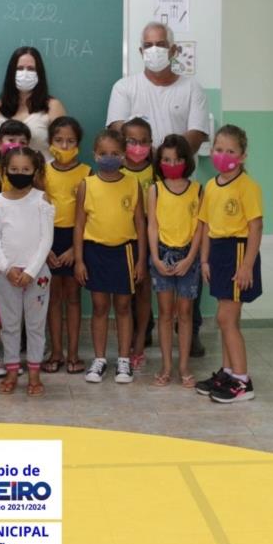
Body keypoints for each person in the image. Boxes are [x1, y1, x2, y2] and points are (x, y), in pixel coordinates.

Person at [106, 21, 210, 357]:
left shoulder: (192, 89)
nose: (154, 50)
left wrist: (168, 158)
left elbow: (196, 134)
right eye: (148, 45)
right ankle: (144, 328)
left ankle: (190, 329)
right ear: (140, 51)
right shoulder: (125, 87)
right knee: (142, 257)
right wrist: (153, 156)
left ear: (174, 49)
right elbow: (118, 128)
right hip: (135, 185)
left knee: (186, 252)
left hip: (178, 186)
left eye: (161, 44)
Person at [74, 129, 147, 385]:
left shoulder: (132, 184)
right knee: (100, 306)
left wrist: (141, 260)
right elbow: (79, 225)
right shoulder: (87, 184)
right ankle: (100, 359)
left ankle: (124, 359)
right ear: (95, 155)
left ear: (124, 155)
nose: (109, 157)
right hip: (95, 252)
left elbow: (140, 224)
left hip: (125, 252)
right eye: (103, 153)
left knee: (124, 307)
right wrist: (79, 260)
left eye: (115, 153)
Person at [196, 125, 263, 403]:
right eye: (219, 149)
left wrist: (246, 265)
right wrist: (204, 259)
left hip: (238, 251)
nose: (224, 155)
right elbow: (206, 225)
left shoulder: (247, 186)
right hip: (219, 253)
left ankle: (242, 381)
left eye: (231, 151)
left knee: (226, 319)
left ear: (243, 156)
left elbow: (256, 226)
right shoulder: (211, 186)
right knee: (226, 320)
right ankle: (227, 372)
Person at [0, 146, 55, 397]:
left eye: (26, 169)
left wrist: (31, 271)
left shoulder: (42, 200)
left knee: (36, 325)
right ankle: (12, 370)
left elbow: (46, 240)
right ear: (5, 170)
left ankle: (34, 374)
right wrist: (6, 268)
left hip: (37, 274)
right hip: (7, 275)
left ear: (35, 171)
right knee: (10, 325)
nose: (20, 173)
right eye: (14, 169)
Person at [147, 134, 202, 387]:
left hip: (189, 257)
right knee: (165, 313)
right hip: (162, 255)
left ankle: (184, 366)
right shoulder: (155, 190)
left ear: (187, 161)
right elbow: (152, 226)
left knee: (185, 313)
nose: (172, 164)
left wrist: (190, 258)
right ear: (159, 162)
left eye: (177, 159)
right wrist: (156, 258)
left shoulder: (197, 190)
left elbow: (200, 228)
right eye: (166, 160)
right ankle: (167, 366)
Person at [0, 118, 32, 377]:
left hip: (24, 256)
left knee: (16, 312)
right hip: (1, 257)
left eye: (23, 142)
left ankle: (12, 357)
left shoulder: (29, 178)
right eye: (11, 140)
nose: (16, 145)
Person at [43, 116, 90, 375]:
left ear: (78, 144)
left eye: (70, 141)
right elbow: (36, 211)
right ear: (50, 142)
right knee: (52, 298)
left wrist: (76, 248)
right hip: (48, 240)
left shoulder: (87, 173)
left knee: (72, 297)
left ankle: (73, 353)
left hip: (76, 240)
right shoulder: (42, 171)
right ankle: (56, 352)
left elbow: (90, 215)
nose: (64, 146)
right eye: (59, 140)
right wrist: (45, 249)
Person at [0, 46, 67, 161]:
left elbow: (64, 148)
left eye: (31, 69)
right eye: (19, 68)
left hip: (42, 171)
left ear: (39, 73)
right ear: (11, 72)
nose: (25, 73)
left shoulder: (53, 107)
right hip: (1, 171)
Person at [120, 116, 155, 371]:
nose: (138, 147)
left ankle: (140, 341)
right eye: (131, 141)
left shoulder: (156, 172)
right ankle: (125, 342)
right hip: (122, 239)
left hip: (150, 238)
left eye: (144, 142)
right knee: (123, 296)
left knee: (143, 291)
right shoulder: (115, 170)